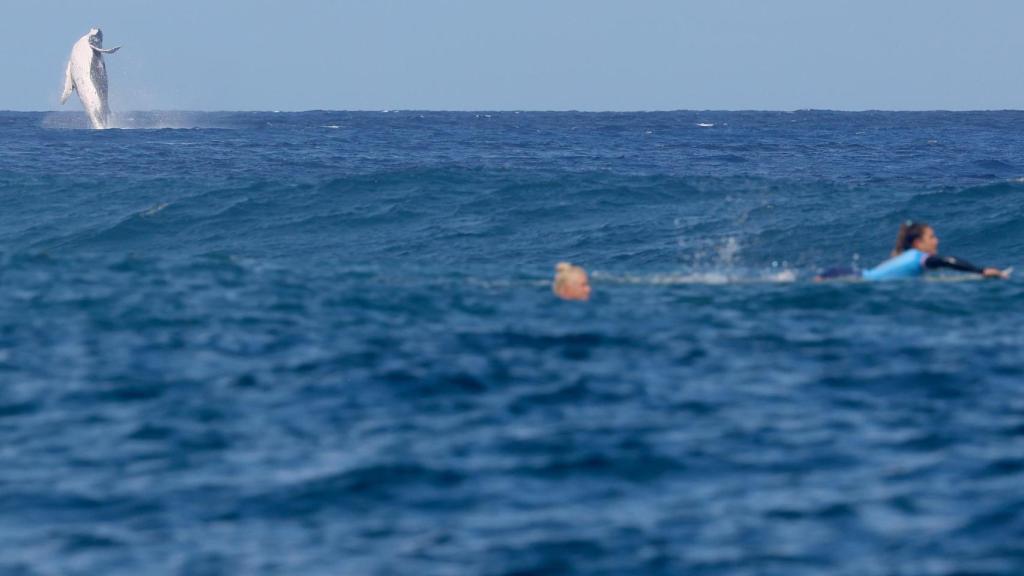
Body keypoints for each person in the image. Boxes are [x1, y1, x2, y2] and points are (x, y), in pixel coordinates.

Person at [818, 221, 1009, 281]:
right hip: (851, 278)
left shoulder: (908, 256)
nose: (937, 240)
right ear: (918, 242)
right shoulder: (919, 258)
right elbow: (947, 261)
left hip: (844, 273)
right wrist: (981, 271)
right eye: (932, 237)